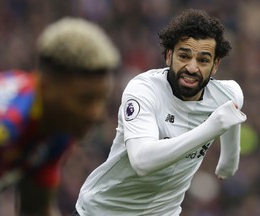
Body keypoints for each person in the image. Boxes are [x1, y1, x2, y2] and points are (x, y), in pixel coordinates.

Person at [74, 8, 247, 216]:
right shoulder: (144, 90)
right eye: (184, 56)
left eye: (203, 60)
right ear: (168, 56)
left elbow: (229, 119)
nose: (192, 68)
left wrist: (228, 162)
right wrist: (210, 128)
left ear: (215, 65)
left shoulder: (227, 94)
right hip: (101, 211)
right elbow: (142, 161)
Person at [0, 17, 120, 216]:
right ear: (48, 86)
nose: (98, 114)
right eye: (85, 100)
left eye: (102, 99)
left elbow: (36, 209)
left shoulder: (55, 129)